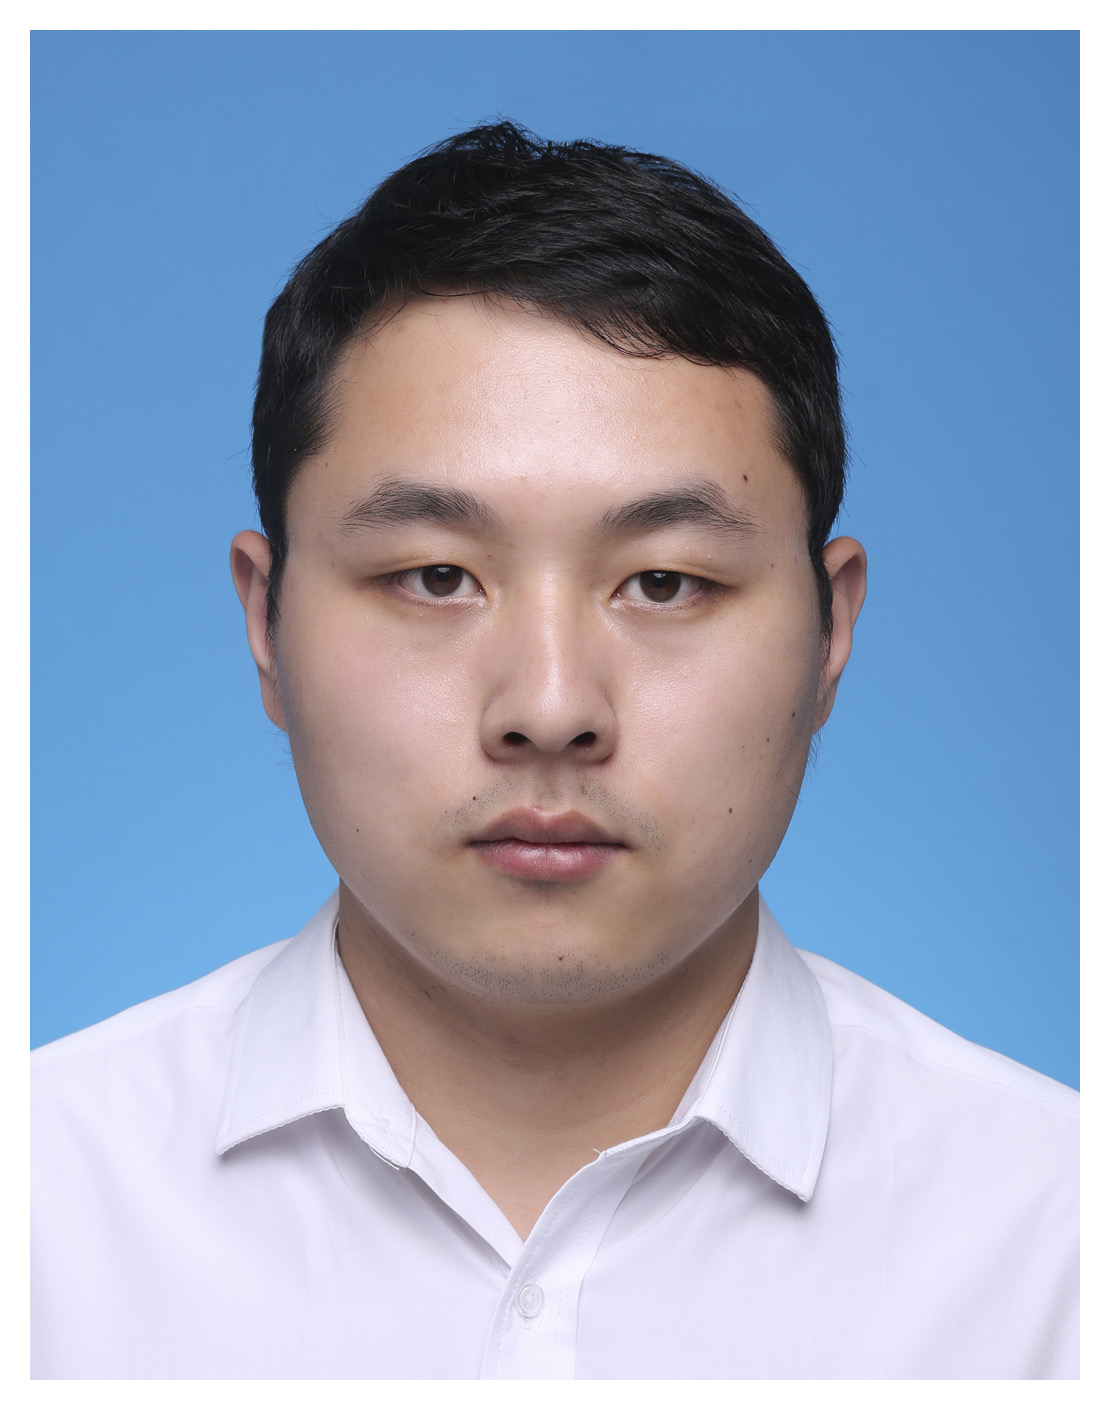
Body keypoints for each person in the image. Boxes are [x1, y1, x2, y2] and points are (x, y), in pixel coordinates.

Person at [31, 122, 1077, 1380]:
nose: (548, 705)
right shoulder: (41, 1213)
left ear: (830, 635)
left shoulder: (1059, 1246)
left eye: (665, 582)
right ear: (265, 623)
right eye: (435, 576)